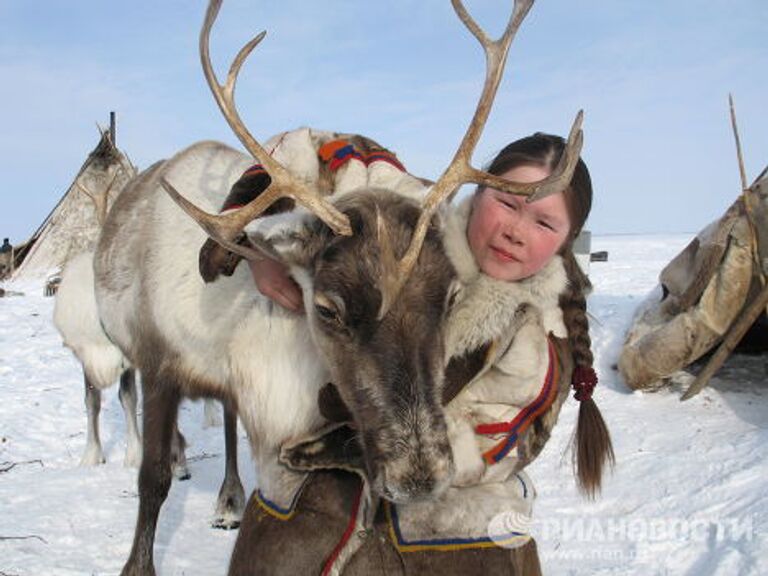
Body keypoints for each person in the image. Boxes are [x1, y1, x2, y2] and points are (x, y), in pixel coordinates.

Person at [206, 129, 613, 574]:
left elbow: (485, 454)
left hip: (450, 549)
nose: (515, 231)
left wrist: (340, 440)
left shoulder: (542, 342)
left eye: (544, 222)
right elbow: (335, 149)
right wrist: (254, 242)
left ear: (567, 239)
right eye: (508, 203)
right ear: (476, 194)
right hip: (305, 531)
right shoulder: (412, 226)